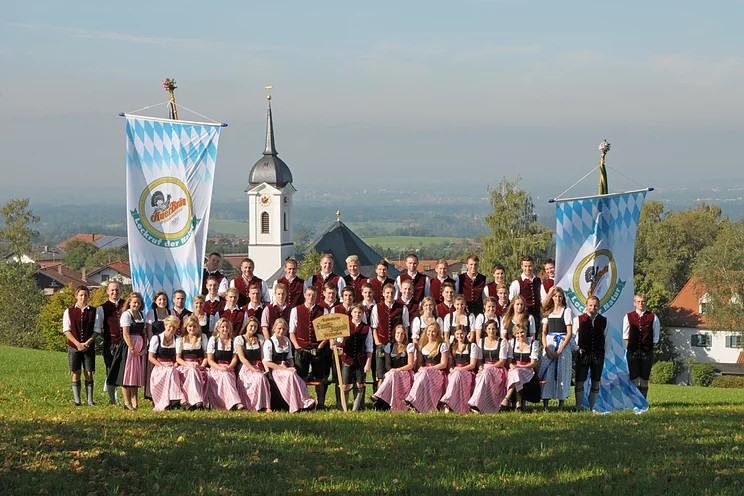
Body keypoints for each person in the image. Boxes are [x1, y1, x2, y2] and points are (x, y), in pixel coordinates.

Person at [289, 286, 330, 407]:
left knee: (320, 377)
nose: (310, 297)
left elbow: (327, 332)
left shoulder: (324, 311)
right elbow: (292, 332)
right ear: (305, 295)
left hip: (318, 347)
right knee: (301, 376)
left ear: (316, 296)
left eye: (313, 295)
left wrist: (321, 346)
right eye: (308, 295)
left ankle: (320, 402)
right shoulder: (296, 310)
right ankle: (303, 401)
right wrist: (297, 347)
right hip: (302, 347)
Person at [262, 318, 316, 412]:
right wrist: (284, 369)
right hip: (275, 370)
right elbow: (267, 362)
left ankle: (304, 402)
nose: (281, 331)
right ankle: (297, 404)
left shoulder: (286, 340)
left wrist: (291, 367)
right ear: (274, 328)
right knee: (291, 376)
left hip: (286, 368)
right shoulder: (269, 342)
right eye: (279, 328)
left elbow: (290, 358)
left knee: (300, 380)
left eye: (284, 329)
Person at [63, 285, 98, 406]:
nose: (83, 297)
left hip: (88, 346)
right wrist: (78, 344)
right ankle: (77, 400)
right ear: (76, 296)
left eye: (86, 295)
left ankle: (89, 400)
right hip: (74, 346)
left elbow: (97, 330)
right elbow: (66, 330)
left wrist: (87, 343)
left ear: (88, 296)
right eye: (81, 295)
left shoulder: (94, 311)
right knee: (75, 372)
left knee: (88, 372)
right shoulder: (69, 311)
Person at [538, 287, 573, 409]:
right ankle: (546, 404)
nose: (557, 299)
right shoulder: (548, 312)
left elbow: (569, 333)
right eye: (555, 296)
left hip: (562, 344)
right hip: (549, 343)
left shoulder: (566, 311)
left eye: (559, 296)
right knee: (547, 373)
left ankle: (561, 404)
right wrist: (546, 348)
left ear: (562, 298)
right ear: (552, 297)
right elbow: (543, 332)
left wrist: (560, 349)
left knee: (562, 372)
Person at [370, 283, 410, 386]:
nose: (389, 295)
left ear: (395, 293)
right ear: (383, 294)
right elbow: (374, 327)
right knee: (380, 373)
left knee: (397, 370)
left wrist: (404, 342)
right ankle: (379, 397)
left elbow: (405, 326)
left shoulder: (402, 308)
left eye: (392, 293)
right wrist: (377, 342)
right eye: (387, 293)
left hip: (396, 344)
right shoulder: (377, 307)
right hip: (382, 343)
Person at [335, 304, 373, 411]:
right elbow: (340, 342)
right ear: (351, 313)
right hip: (347, 359)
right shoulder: (345, 325)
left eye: (359, 312)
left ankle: (355, 409)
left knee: (360, 384)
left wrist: (368, 362)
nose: (357, 314)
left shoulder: (366, 328)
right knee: (345, 385)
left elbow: (369, 347)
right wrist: (335, 342)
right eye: (355, 312)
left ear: (362, 314)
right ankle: (344, 407)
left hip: (361, 360)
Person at [573, 296, 608, 411]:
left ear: (598, 306)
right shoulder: (578, 319)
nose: (593, 307)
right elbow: (572, 337)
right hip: (583, 354)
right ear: (586, 306)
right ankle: (579, 407)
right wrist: (577, 349)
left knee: (596, 381)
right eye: (590, 305)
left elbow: (607, 339)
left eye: (595, 305)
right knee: (579, 381)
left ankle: (592, 407)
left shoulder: (604, 320)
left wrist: (604, 353)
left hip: (598, 354)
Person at [405, 322, 449, 413]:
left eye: (433, 331)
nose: (431, 333)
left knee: (424, 374)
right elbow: (420, 363)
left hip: (437, 372)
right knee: (419, 376)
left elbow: (443, 364)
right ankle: (418, 403)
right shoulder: (423, 346)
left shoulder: (442, 345)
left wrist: (429, 369)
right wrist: (421, 368)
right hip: (425, 371)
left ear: (437, 333)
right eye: (429, 331)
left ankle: (412, 399)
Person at [623, 293, 660, 399]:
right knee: (634, 378)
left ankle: (643, 401)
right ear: (634, 303)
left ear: (646, 302)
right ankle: (634, 401)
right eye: (638, 301)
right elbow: (625, 336)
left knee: (644, 378)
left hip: (647, 352)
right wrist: (629, 350)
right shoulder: (628, 316)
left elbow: (655, 337)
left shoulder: (653, 317)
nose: (641, 304)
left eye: (643, 301)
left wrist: (647, 349)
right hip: (632, 351)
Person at [371, 325, 416, 411]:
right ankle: (383, 401)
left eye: (402, 334)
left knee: (392, 374)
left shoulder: (409, 346)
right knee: (390, 374)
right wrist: (391, 370)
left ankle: (378, 396)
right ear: (394, 334)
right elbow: (387, 364)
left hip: (405, 373)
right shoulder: (390, 346)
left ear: (405, 335)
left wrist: (397, 370)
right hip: (393, 373)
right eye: (398, 333)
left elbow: (410, 365)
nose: (400, 335)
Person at [468, 319, 509, 413]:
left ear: (497, 330)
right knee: (481, 376)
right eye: (489, 329)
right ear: (485, 330)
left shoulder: (502, 342)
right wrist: (480, 367)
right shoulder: (482, 341)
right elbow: (479, 360)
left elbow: (502, 361)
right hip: (485, 368)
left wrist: (489, 368)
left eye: (493, 329)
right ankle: (479, 404)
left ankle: (475, 404)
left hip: (498, 369)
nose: (491, 331)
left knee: (485, 374)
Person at [206, 318, 244, 411]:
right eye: (222, 327)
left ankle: (230, 404)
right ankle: (235, 403)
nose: (225, 329)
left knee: (226, 375)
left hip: (229, 368)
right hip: (216, 368)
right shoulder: (213, 340)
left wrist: (229, 367)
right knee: (224, 376)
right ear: (218, 328)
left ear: (230, 328)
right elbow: (210, 360)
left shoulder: (233, 341)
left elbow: (235, 358)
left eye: (227, 327)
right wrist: (220, 368)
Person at [147, 316, 184, 411]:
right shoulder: (156, 338)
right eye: (170, 326)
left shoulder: (178, 339)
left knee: (172, 372)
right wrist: (162, 366)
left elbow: (178, 357)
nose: (172, 329)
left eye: (174, 327)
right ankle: (167, 401)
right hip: (160, 367)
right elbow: (151, 357)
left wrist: (175, 364)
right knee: (169, 372)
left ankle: (174, 399)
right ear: (165, 325)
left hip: (173, 366)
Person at [96, 281, 124, 405]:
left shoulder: (126, 305)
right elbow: (98, 328)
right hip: (110, 345)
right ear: (107, 291)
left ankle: (126, 399)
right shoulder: (102, 309)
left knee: (124, 371)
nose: (114, 292)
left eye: (117, 290)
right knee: (110, 370)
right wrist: (109, 337)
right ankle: (113, 399)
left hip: (125, 344)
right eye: (112, 290)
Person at [119, 292, 148, 410]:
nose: (136, 304)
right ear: (129, 303)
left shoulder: (141, 314)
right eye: (134, 302)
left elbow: (144, 332)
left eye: (138, 302)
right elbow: (126, 333)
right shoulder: (126, 315)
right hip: (129, 347)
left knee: (135, 375)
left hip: (140, 347)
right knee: (127, 375)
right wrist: (131, 348)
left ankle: (135, 400)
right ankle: (127, 402)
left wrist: (144, 346)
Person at [235, 317, 271, 411]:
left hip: (258, 366)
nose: (253, 328)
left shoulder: (260, 338)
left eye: (255, 326)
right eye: (251, 326)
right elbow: (242, 358)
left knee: (261, 378)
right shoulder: (239, 339)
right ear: (246, 326)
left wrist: (266, 368)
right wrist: (252, 368)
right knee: (259, 378)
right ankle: (254, 405)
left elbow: (263, 357)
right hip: (245, 367)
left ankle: (265, 405)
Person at [440, 325, 479, 413]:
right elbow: (450, 365)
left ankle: (448, 400)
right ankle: (452, 404)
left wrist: (459, 370)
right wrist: (452, 370)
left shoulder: (471, 346)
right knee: (453, 376)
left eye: (461, 333)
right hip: (455, 371)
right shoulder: (452, 347)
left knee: (457, 375)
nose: (459, 336)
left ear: (465, 333)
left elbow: (472, 365)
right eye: (457, 334)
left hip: (468, 371)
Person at [502, 323, 539, 411]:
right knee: (515, 373)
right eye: (517, 333)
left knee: (516, 373)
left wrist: (521, 366)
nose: (520, 335)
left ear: (526, 331)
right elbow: (509, 362)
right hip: (515, 369)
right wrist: (512, 366)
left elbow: (533, 363)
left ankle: (506, 398)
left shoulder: (533, 343)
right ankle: (518, 403)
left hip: (528, 369)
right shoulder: (512, 343)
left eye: (522, 332)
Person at [176, 315, 208, 410]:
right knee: (192, 371)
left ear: (198, 327)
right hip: (185, 366)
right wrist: (188, 365)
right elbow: (178, 358)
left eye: (194, 326)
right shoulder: (181, 339)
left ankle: (192, 402)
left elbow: (206, 357)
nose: (192, 328)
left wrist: (202, 366)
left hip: (199, 366)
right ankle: (197, 400)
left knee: (194, 371)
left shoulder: (202, 337)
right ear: (186, 327)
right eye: (190, 326)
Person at [509, 256, 542, 324]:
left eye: (530, 266)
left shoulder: (538, 281)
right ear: (522, 267)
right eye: (525, 266)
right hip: (523, 318)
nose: (528, 268)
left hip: (536, 317)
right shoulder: (516, 283)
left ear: (533, 266)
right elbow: (512, 302)